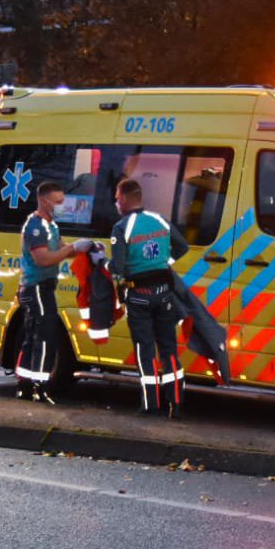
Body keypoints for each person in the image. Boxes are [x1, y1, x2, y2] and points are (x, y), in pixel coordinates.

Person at [107, 177, 190, 417]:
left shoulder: (122, 227)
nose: (116, 203)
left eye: (117, 198)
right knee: (168, 349)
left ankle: (150, 404)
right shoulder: (160, 220)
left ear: (124, 199)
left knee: (145, 350)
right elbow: (182, 247)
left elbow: (118, 268)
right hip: (164, 295)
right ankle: (176, 403)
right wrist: (164, 262)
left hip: (139, 297)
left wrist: (101, 262)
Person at [15, 180, 82, 404]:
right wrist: (70, 249)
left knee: (33, 338)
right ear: (44, 201)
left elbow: (61, 249)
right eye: (58, 202)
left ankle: (25, 386)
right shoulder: (35, 227)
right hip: (36, 288)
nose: (62, 206)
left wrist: (82, 248)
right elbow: (43, 259)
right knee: (46, 338)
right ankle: (40, 387)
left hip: (42, 288)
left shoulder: (51, 225)